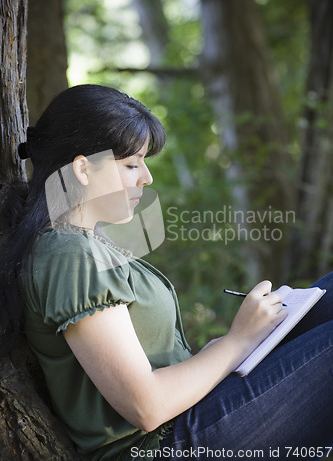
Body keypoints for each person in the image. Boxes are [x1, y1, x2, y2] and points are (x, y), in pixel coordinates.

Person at [0, 84, 332, 461]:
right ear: (82, 169)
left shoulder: (83, 245)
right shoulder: (69, 256)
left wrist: (221, 351)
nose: (146, 178)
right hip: (165, 446)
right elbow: (147, 407)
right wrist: (237, 340)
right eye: (130, 164)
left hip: (190, 417)